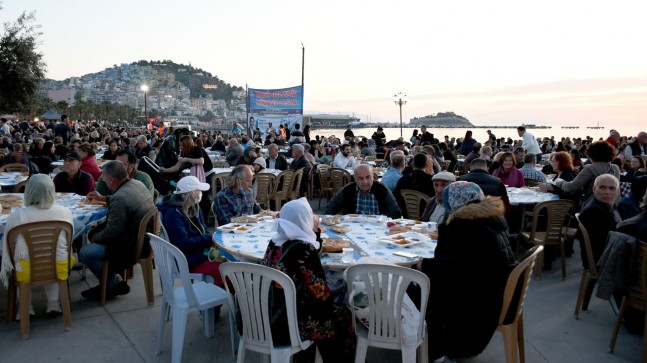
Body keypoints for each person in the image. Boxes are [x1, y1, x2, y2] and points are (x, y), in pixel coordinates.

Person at [420, 182, 515, 360]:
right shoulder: (490, 218)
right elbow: (465, 263)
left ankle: (435, 349)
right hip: (492, 295)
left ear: (454, 204)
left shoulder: (467, 227)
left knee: (420, 286)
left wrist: (423, 265)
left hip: (475, 314)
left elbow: (454, 269)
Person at [261, 198, 355, 361]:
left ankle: (305, 357)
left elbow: (306, 253)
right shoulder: (304, 250)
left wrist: (314, 232)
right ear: (303, 220)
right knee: (344, 312)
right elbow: (320, 295)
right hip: (293, 322)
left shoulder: (275, 242)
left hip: (270, 310)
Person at [80, 161, 157, 301]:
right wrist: (103, 198)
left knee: (86, 252)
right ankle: (110, 281)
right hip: (146, 238)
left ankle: (112, 283)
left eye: (103, 177)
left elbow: (113, 232)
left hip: (131, 246)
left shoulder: (119, 198)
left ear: (111, 179)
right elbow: (126, 202)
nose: (101, 180)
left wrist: (95, 237)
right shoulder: (136, 184)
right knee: (95, 234)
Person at [0, 175, 75, 316]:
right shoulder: (65, 213)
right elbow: (69, 243)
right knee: (54, 255)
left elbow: (9, 249)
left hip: (27, 269)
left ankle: (25, 308)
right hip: (59, 265)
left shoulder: (17, 216)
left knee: (20, 261)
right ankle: (53, 304)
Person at [158, 176, 224, 287]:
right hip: (190, 260)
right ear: (190, 194)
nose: (201, 193)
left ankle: (225, 298)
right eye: (198, 190)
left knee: (232, 262)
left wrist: (209, 238)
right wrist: (209, 238)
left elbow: (205, 230)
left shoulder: (193, 207)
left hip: (202, 253)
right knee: (227, 272)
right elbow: (183, 244)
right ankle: (213, 302)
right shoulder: (173, 214)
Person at [554, 141, 621, 209]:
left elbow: (572, 187)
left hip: (593, 206)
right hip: (612, 205)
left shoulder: (590, 169)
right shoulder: (615, 168)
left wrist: (560, 182)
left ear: (592, 155)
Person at [325, 164, 401, 218]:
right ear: (355, 179)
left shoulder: (381, 189)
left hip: (377, 229)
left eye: (368, 177)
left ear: (373, 177)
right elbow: (331, 208)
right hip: (352, 228)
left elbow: (395, 211)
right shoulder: (348, 189)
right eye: (361, 178)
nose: (365, 182)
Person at [578, 174, 621, 270]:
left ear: (618, 191)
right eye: (602, 187)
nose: (607, 192)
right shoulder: (596, 212)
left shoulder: (603, 206)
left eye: (612, 188)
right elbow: (607, 244)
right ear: (594, 189)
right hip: (601, 262)